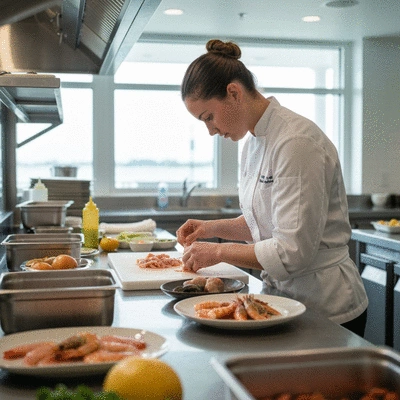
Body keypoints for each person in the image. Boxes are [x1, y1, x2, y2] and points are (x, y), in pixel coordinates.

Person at [176, 39, 368, 336]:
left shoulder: (296, 143)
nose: (211, 130)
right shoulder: (253, 142)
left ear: (233, 92)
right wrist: (210, 228)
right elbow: (266, 222)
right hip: (282, 301)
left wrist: (217, 252)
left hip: (327, 307)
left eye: (209, 117)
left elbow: (291, 250)